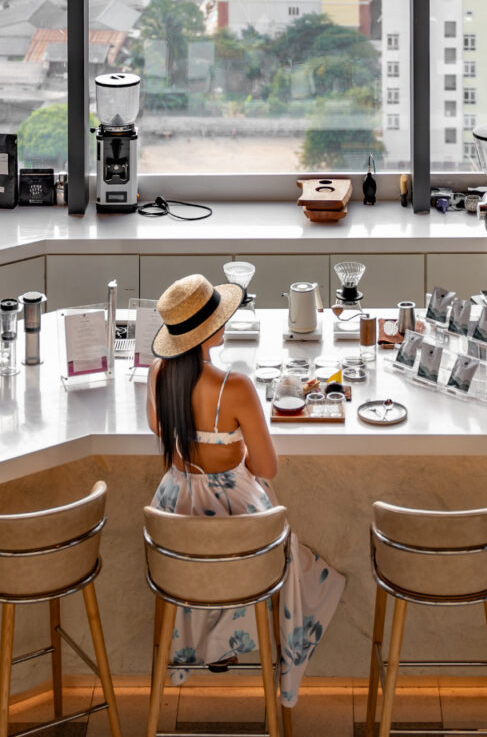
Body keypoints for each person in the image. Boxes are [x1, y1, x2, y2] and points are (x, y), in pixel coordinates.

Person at [146, 273, 344, 708]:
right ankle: (230, 640)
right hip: (238, 525)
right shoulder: (233, 387)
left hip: (176, 519)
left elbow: (158, 429)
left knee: (208, 567)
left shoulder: (157, 373)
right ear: (208, 331)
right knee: (298, 564)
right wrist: (235, 457)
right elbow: (266, 465)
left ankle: (217, 641)